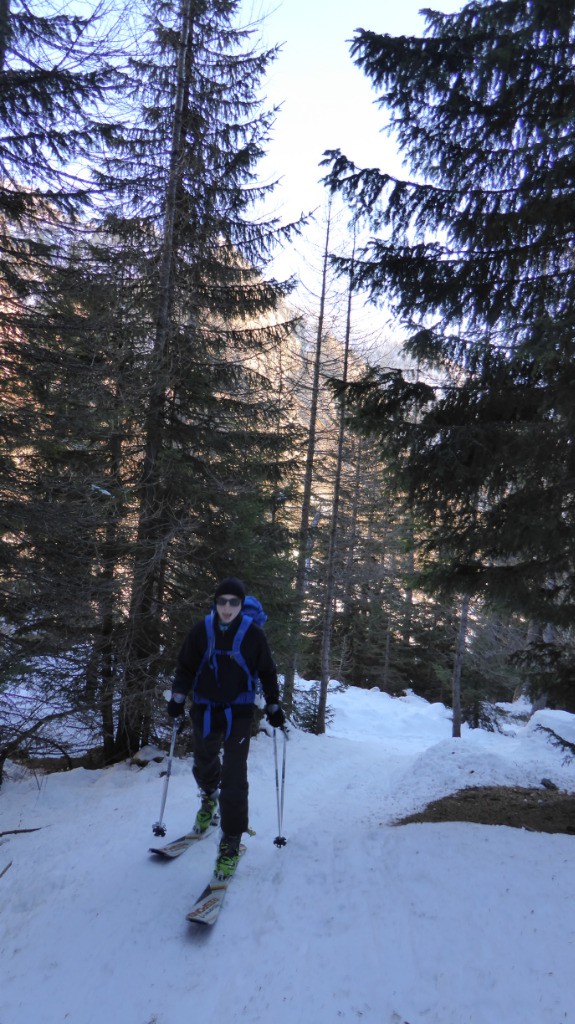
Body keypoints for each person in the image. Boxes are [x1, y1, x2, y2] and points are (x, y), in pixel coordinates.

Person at [167, 576, 286, 879]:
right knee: (203, 760)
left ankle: (231, 841)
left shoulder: (253, 635)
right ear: (215, 603)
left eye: (234, 602)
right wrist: (178, 699)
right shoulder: (201, 631)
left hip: (240, 712)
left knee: (235, 776)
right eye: (223, 601)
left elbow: (267, 670)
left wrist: (272, 703)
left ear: (241, 605)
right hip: (205, 708)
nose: (228, 607)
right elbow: (186, 666)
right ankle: (209, 798)